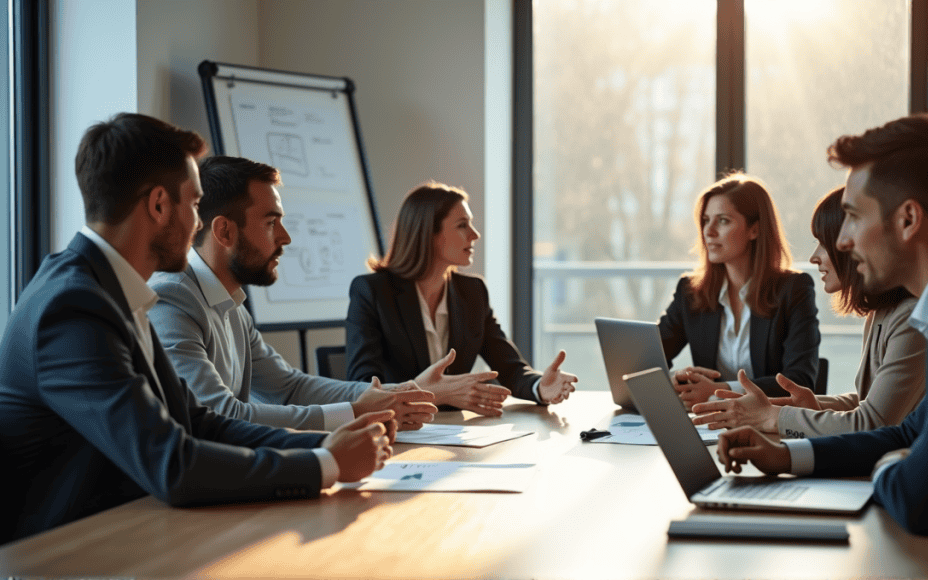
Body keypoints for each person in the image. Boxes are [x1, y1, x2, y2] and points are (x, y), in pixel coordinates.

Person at [0, 113, 394, 544]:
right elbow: (173, 463)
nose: (198, 224)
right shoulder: (73, 306)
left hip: (126, 535)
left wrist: (326, 442)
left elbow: (199, 421)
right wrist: (325, 464)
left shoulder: (110, 290)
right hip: (67, 556)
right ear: (158, 205)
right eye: (193, 204)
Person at [716, 114, 928, 578]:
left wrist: (893, 465)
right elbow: (905, 435)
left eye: (854, 216)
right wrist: (786, 457)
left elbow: (924, 500)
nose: (842, 240)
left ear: (907, 219)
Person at [148, 156, 437, 432]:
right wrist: (356, 412)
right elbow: (219, 415)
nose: (285, 237)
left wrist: (394, 394)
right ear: (224, 232)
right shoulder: (172, 299)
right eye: (271, 223)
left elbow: (289, 388)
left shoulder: (231, 304)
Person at [691, 186, 926, 437]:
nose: (814, 257)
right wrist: (796, 408)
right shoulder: (881, 312)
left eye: (824, 244)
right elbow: (868, 401)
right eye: (705, 221)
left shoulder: (910, 317)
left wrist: (776, 417)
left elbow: (871, 422)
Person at [346, 182, 577, 415]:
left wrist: (540, 386)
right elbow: (363, 388)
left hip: (455, 431)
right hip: (398, 432)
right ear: (429, 234)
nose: (474, 234)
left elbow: (509, 367)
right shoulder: (372, 292)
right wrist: (433, 392)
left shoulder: (473, 292)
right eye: (462, 225)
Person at [657, 173, 820, 409]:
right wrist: (674, 381)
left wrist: (718, 390)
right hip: (709, 423)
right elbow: (650, 359)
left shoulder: (794, 290)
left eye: (723, 220)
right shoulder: (690, 292)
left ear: (754, 229)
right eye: (705, 220)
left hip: (770, 427)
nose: (709, 231)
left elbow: (799, 380)